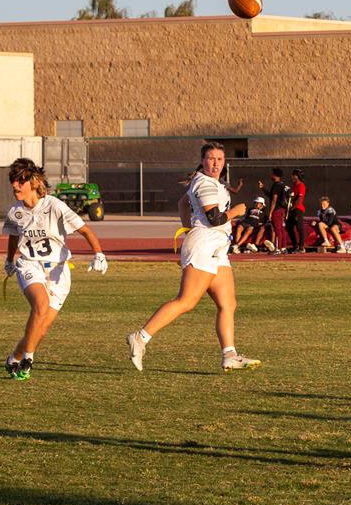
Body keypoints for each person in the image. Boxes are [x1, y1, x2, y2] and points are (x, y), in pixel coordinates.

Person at [126, 142, 261, 373]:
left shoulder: (212, 182)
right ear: (202, 161)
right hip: (205, 244)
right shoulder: (205, 183)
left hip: (216, 247)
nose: (216, 163)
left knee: (228, 304)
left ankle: (229, 355)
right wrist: (237, 212)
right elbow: (215, 219)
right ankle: (140, 337)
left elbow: (182, 203)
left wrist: (189, 229)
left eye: (220, 158)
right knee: (186, 301)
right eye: (211, 158)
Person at [2, 158, 108, 380]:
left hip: (59, 272)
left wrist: (99, 254)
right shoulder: (15, 211)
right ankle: (28, 359)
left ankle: (15, 357)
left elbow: (86, 230)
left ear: (33, 181)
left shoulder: (55, 206)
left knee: (41, 328)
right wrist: (10, 260)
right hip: (30, 265)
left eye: (20, 181)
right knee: (40, 305)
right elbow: (13, 237)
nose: (15, 185)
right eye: (13, 181)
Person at [265, 167, 291, 253]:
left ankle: (278, 248)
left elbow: (274, 200)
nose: (271, 175)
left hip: (277, 210)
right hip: (283, 210)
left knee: (277, 229)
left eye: (272, 174)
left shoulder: (276, 185)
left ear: (275, 175)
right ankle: (283, 247)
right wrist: (263, 188)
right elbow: (272, 195)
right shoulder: (283, 185)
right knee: (282, 229)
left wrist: (271, 212)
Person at [286, 168, 307, 253]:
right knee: (289, 227)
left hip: (298, 209)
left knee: (300, 228)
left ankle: (301, 247)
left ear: (297, 176)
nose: (292, 176)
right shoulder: (293, 186)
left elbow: (300, 198)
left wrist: (293, 208)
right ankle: (295, 246)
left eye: (293, 175)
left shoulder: (301, 185)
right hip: (291, 210)